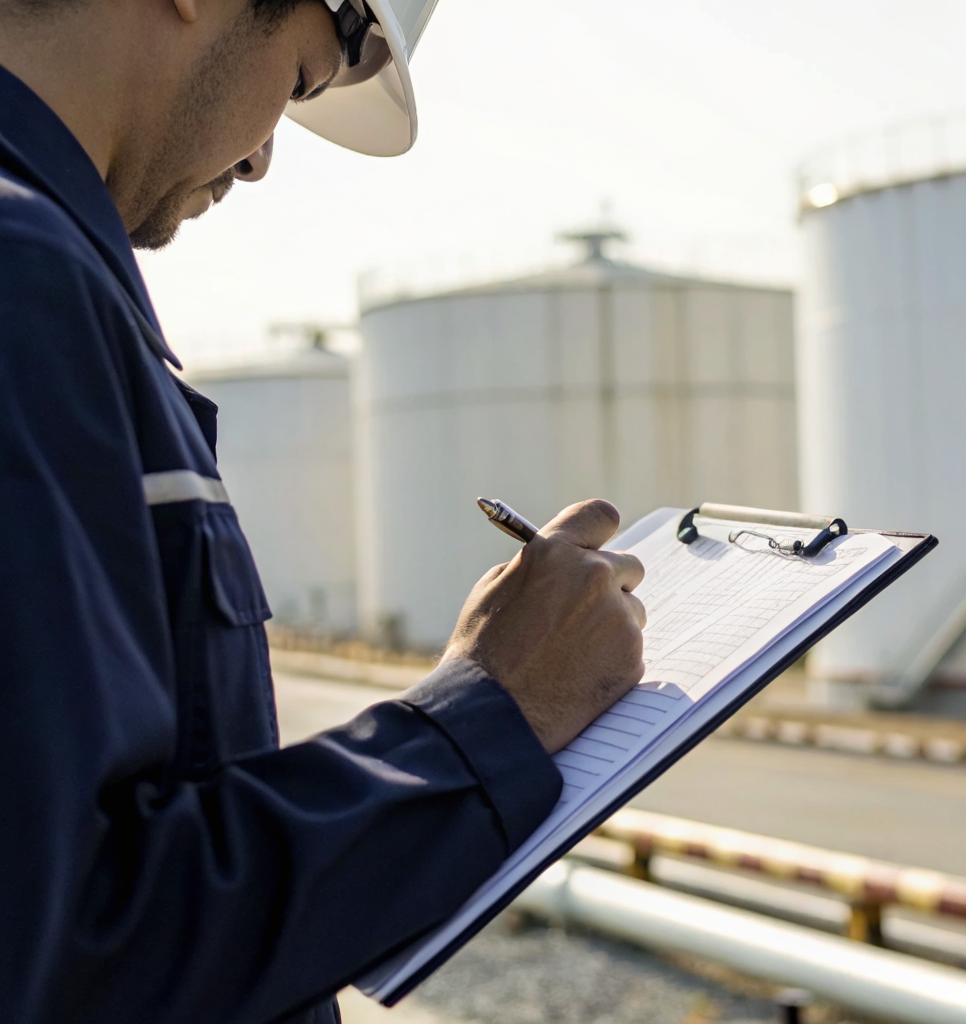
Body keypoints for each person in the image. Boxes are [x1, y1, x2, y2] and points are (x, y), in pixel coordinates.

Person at [0, 2, 648, 1022]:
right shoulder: (22, 284)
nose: (260, 161)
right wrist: (491, 717)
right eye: (302, 77)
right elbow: (73, 953)